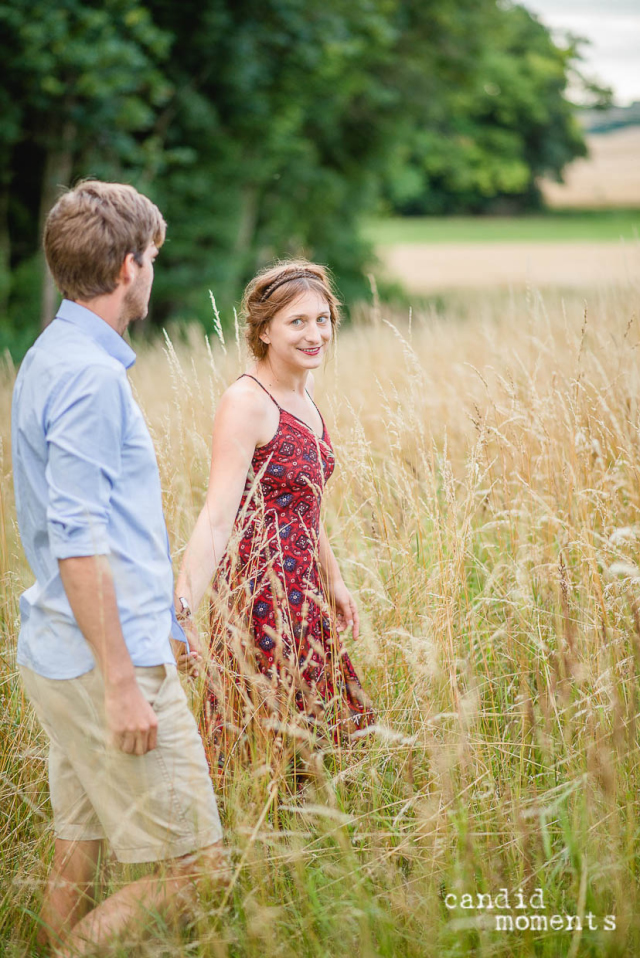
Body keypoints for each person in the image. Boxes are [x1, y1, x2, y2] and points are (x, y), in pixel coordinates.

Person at [12, 180, 227, 957]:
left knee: (80, 847)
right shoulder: (89, 377)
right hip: (100, 664)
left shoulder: (50, 353)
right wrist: (124, 682)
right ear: (131, 266)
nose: (153, 274)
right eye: (154, 260)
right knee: (197, 868)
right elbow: (78, 544)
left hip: (63, 652)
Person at [175, 261, 373, 769]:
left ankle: (315, 844)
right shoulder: (246, 402)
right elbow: (217, 517)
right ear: (264, 330)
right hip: (260, 595)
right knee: (267, 741)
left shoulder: (303, 393)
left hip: (304, 591)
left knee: (327, 738)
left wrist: (335, 579)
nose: (315, 334)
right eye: (297, 322)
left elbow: (305, 506)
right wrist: (179, 611)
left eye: (323, 319)